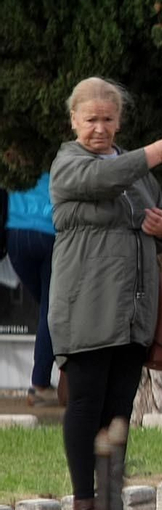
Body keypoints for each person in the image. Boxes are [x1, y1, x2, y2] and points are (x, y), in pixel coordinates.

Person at [50, 77, 162, 510]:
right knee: (86, 403)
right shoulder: (68, 163)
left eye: (108, 119)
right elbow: (102, 180)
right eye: (90, 119)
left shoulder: (138, 172)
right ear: (73, 120)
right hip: (87, 306)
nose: (99, 128)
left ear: (119, 121)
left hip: (134, 311)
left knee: (118, 411)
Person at [8, 172, 58, 404]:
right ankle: (40, 384)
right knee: (53, 311)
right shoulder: (63, 155)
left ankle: (46, 380)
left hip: (15, 233)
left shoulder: (15, 156)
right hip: (51, 232)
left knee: (50, 310)